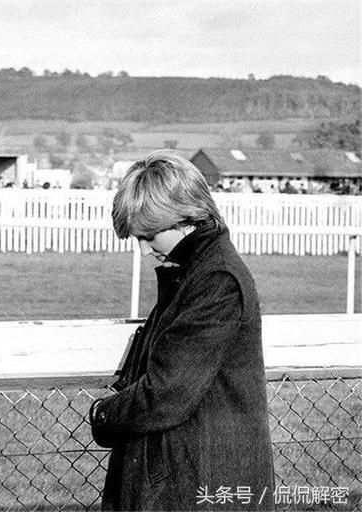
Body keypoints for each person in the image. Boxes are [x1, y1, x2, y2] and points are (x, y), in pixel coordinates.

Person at [90, 151, 274, 511]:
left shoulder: (216, 280)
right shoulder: (194, 273)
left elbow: (165, 393)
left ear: (184, 219)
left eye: (149, 236)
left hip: (202, 484)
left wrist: (103, 414)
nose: (143, 251)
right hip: (190, 476)